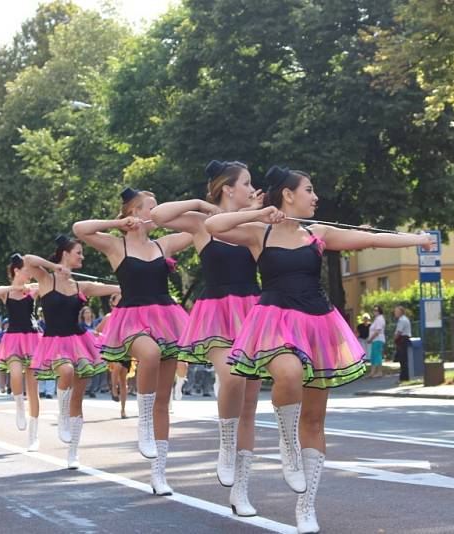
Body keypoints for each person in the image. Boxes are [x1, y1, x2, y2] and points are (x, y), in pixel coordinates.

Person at [205, 165, 434, 533]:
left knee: (315, 420)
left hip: (318, 324)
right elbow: (214, 227)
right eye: (309, 190)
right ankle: (286, 444)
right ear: (288, 194)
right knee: (288, 373)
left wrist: (417, 239)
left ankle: (306, 507)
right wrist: (260, 211)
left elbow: (369, 239)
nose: (316, 197)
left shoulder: (318, 233)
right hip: (275, 321)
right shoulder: (257, 233)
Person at [150, 159, 265, 511]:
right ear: (228, 188)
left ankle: (240, 490)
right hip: (216, 312)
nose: (251, 188)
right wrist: (202, 204)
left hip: (253, 310)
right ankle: (225, 442)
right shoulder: (201, 224)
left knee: (249, 404)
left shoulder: (256, 222)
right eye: (246, 182)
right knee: (231, 377)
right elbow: (158, 216)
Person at [74, 187, 193, 495]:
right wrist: (118, 224)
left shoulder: (162, 244)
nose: (156, 215)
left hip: (167, 317)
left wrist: (195, 209)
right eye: (150, 209)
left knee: (164, 403)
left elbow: (202, 227)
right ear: (134, 212)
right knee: (149, 354)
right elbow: (79, 229)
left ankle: (159, 474)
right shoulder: (116, 246)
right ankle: (142, 422)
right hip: (132, 319)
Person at [24, 236, 121, 469]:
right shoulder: (46, 280)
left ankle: (73, 453)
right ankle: (62, 414)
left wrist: (128, 285)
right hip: (55, 343)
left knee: (78, 400)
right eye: (78, 252)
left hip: (79, 343)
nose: (82, 256)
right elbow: (28, 260)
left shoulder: (80, 286)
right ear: (65, 254)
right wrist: (54, 266)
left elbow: (112, 287)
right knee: (65, 371)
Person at [0, 253, 43, 450]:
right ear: (17, 270)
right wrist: (15, 287)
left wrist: (28, 287)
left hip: (33, 337)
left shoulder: (32, 289)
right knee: (16, 374)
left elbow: (44, 285)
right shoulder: (6, 292)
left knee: (34, 390)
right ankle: (19, 404)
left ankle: (33, 436)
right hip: (13, 339)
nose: (30, 274)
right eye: (27, 271)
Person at [78, 306, 103, 399]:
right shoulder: (80, 325)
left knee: (96, 370)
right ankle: (85, 388)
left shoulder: (95, 323)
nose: (88, 314)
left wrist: (97, 334)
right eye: (86, 313)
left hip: (95, 349)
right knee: (87, 369)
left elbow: (100, 333)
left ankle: (93, 390)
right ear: (83, 315)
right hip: (84, 350)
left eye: (89, 312)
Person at [393, 306, 413, 382]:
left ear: (400, 312)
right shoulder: (405, 319)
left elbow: (399, 332)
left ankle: (404, 377)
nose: (395, 313)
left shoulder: (402, 320)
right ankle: (404, 377)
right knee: (403, 359)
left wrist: (394, 338)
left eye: (396, 311)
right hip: (404, 339)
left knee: (403, 359)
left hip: (402, 339)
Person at [367, 306, 386, 378]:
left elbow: (377, 331)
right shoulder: (377, 319)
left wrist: (370, 339)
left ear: (379, 311)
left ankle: (379, 372)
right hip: (375, 340)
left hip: (378, 339)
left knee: (377, 356)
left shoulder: (380, 319)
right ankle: (373, 372)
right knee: (374, 356)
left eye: (376, 310)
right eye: (374, 310)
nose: (374, 311)